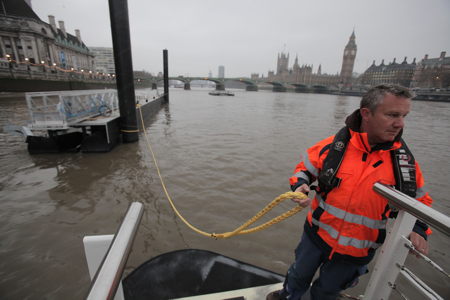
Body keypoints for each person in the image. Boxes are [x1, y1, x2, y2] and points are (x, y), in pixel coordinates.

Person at [267, 84, 433, 300]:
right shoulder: (333, 147)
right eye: (392, 115)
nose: (399, 123)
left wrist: (419, 230)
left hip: (357, 251)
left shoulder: (404, 165)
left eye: (403, 116)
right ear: (366, 113)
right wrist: (300, 185)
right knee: (297, 276)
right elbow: (304, 169)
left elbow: (420, 202)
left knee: (327, 292)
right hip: (315, 235)